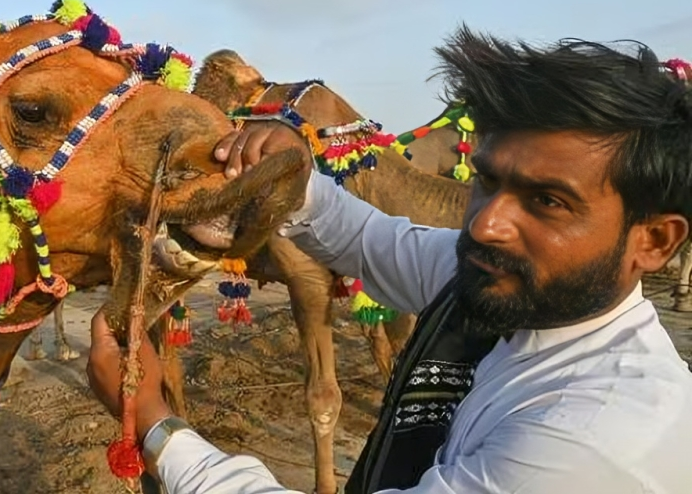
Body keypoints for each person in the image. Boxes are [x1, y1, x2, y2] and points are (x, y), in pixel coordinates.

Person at [86, 25, 692, 493]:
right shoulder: (508, 290)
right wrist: (297, 181)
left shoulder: (597, 439)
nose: (485, 222)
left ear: (656, 242)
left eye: (548, 202)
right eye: (487, 182)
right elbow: (372, 241)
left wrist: (156, 423)